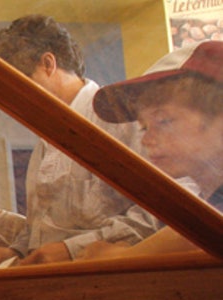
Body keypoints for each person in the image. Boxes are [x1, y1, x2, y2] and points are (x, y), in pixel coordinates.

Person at [0, 15, 161, 267]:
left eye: (17, 89)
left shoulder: (120, 120)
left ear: (48, 64)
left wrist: (69, 250)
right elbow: (41, 226)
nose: (12, 104)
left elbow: (155, 218)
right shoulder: (47, 138)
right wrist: (16, 251)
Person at [79, 40, 223, 259]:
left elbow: (203, 235)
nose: (146, 140)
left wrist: (124, 257)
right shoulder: (202, 201)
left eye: (163, 121)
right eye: (144, 127)